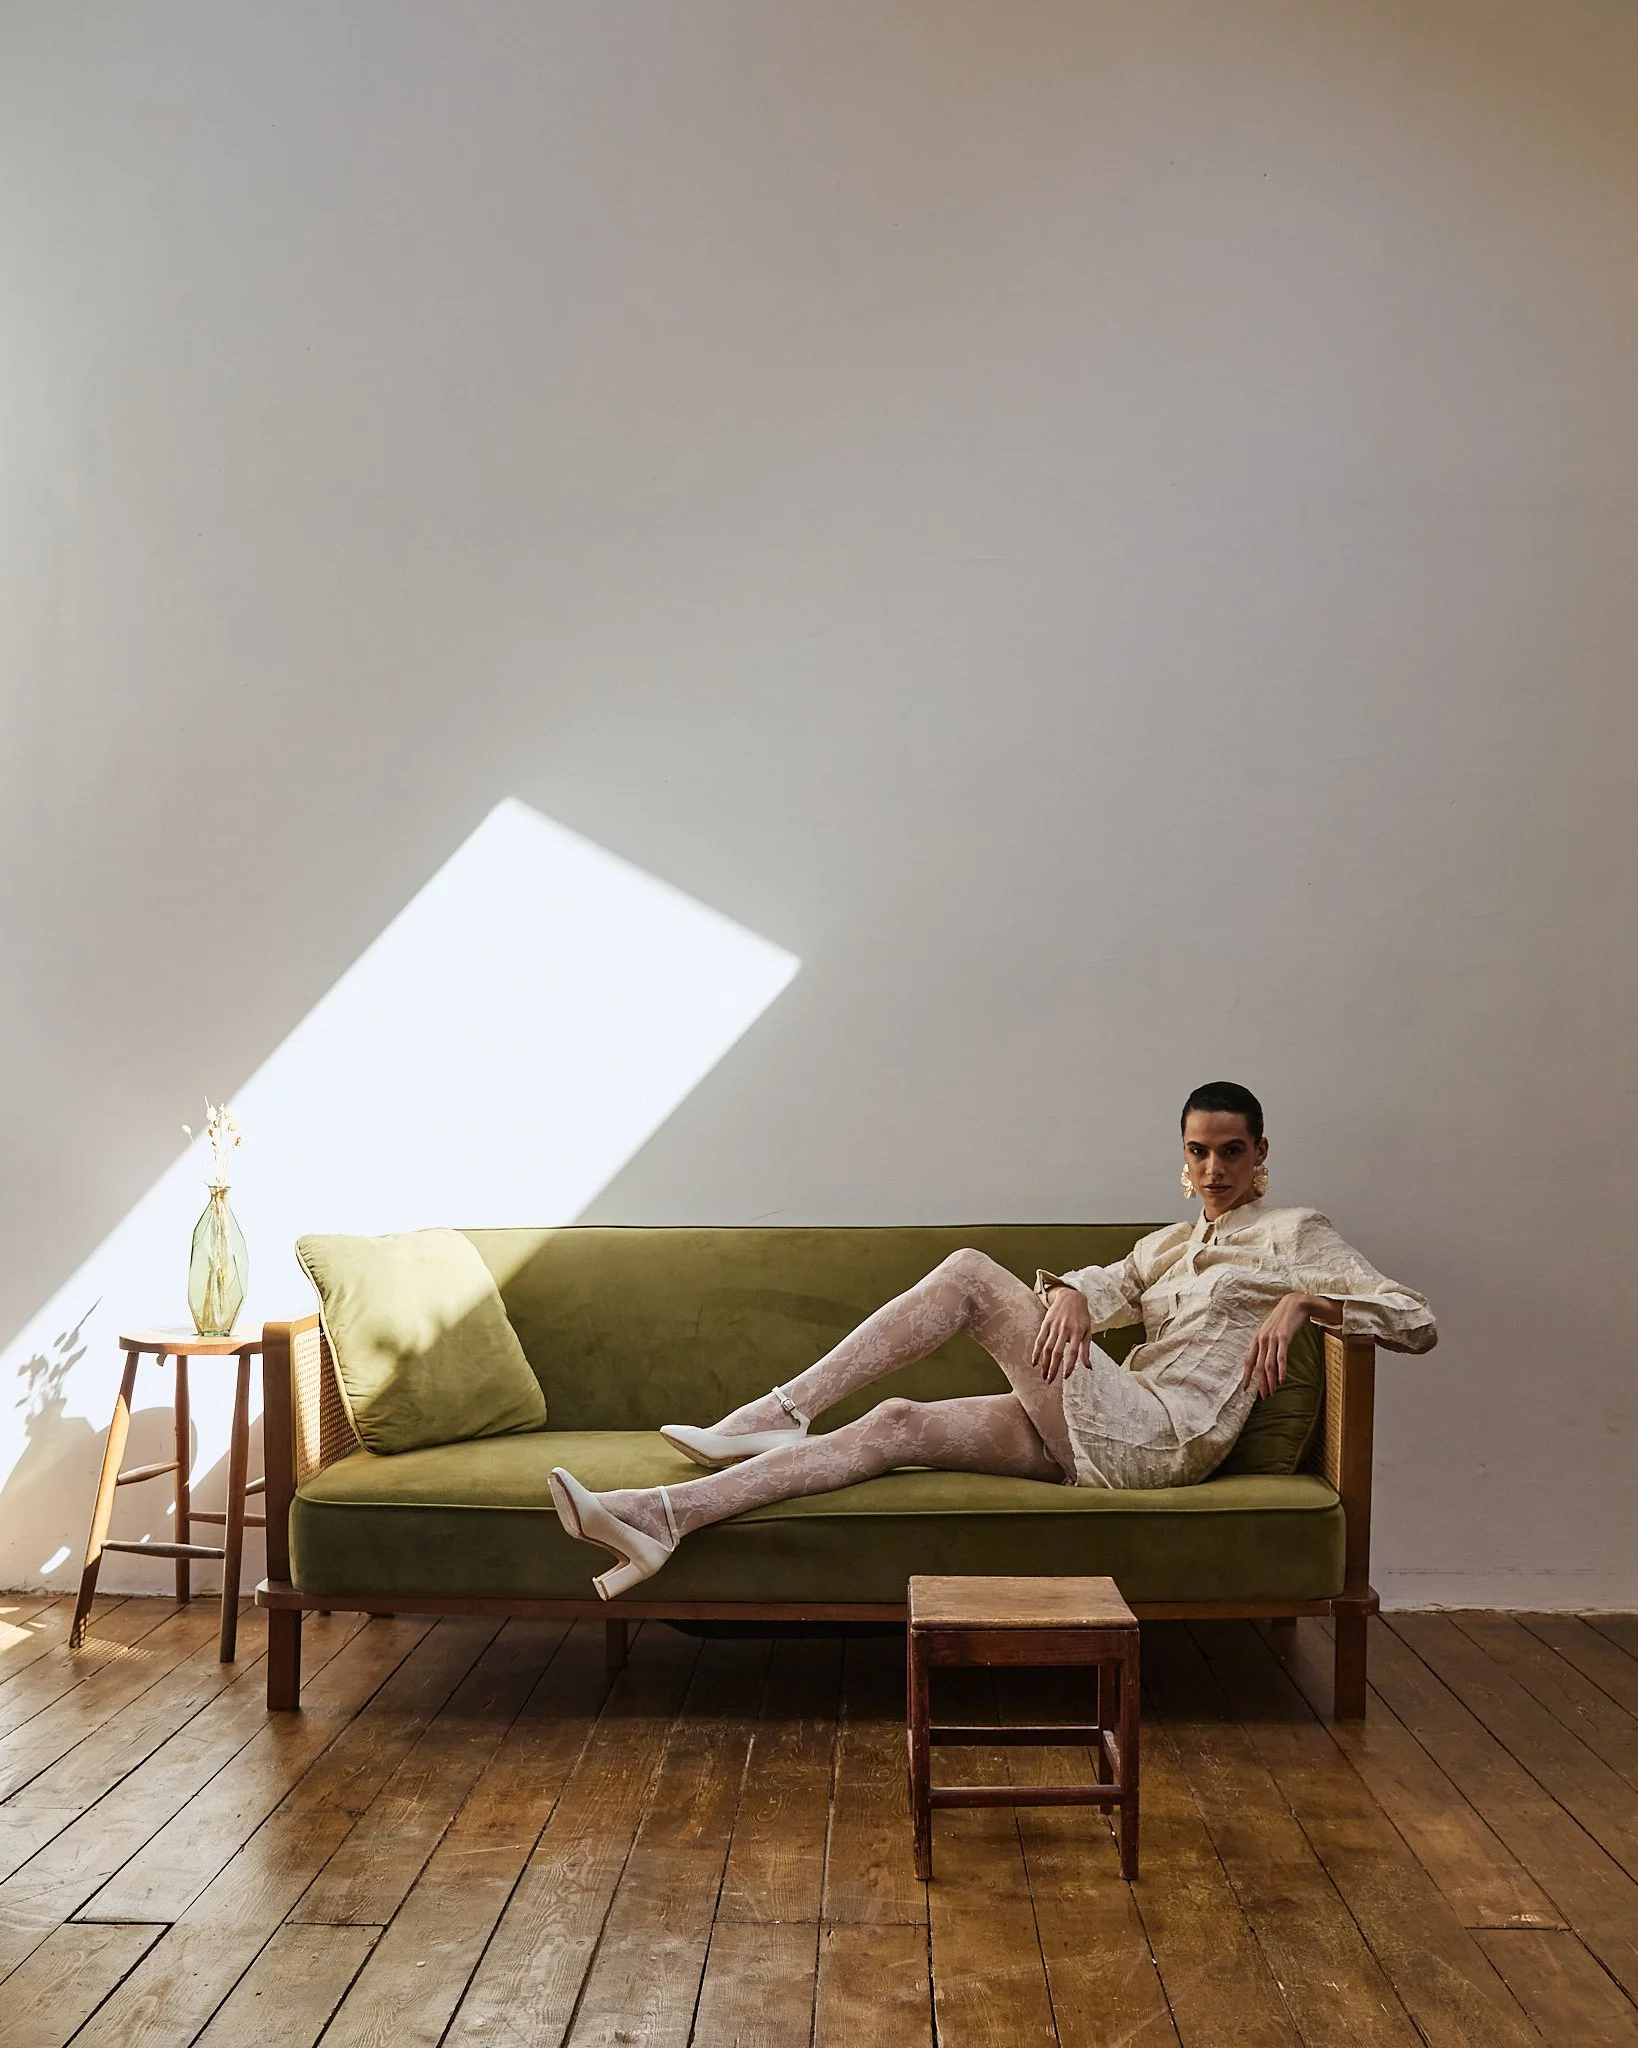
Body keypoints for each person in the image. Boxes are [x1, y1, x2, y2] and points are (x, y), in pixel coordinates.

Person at [548, 1080, 1436, 1598]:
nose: (1212, 1172)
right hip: (1105, 1421)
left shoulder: (1292, 1233)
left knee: (972, 1274)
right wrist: (1076, 1296)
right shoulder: (1168, 1244)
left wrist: (1308, 1304)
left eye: (1231, 1153)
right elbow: (1110, 1284)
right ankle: (662, 1519)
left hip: (1163, 1438)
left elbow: (1414, 1317)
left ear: (1260, 1152)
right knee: (896, 1422)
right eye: (1199, 1153)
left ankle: (777, 1410)